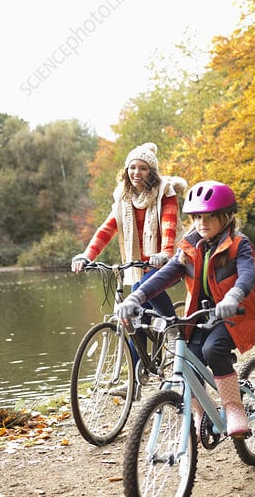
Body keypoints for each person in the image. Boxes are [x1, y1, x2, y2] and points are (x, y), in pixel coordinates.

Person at [116, 180, 255, 439]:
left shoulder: (239, 244)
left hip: (232, 315)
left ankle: (234, 408)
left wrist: (234, 296)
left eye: (209, 217)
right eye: (196, 217)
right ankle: (200, 414)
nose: (201, 223)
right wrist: (137, 297)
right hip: (199, 316)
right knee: (187, 361)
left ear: (227, 218)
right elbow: (165, 275)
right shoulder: (190, 246)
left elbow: (247, 275)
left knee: (213, 349)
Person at [71, 142, 188, 369]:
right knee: (135, 318)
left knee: (137, 292)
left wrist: (164, 253)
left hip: (171, 258)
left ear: (151, 172)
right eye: (132, 167)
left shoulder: (165, 193)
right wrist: (87, 256)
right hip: (137, 264)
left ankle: (174, 330)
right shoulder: (123, 199)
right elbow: (107, 229)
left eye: (143, 168)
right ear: (126, 171)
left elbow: (169, 225)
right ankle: (136, 376)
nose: (136, 173)